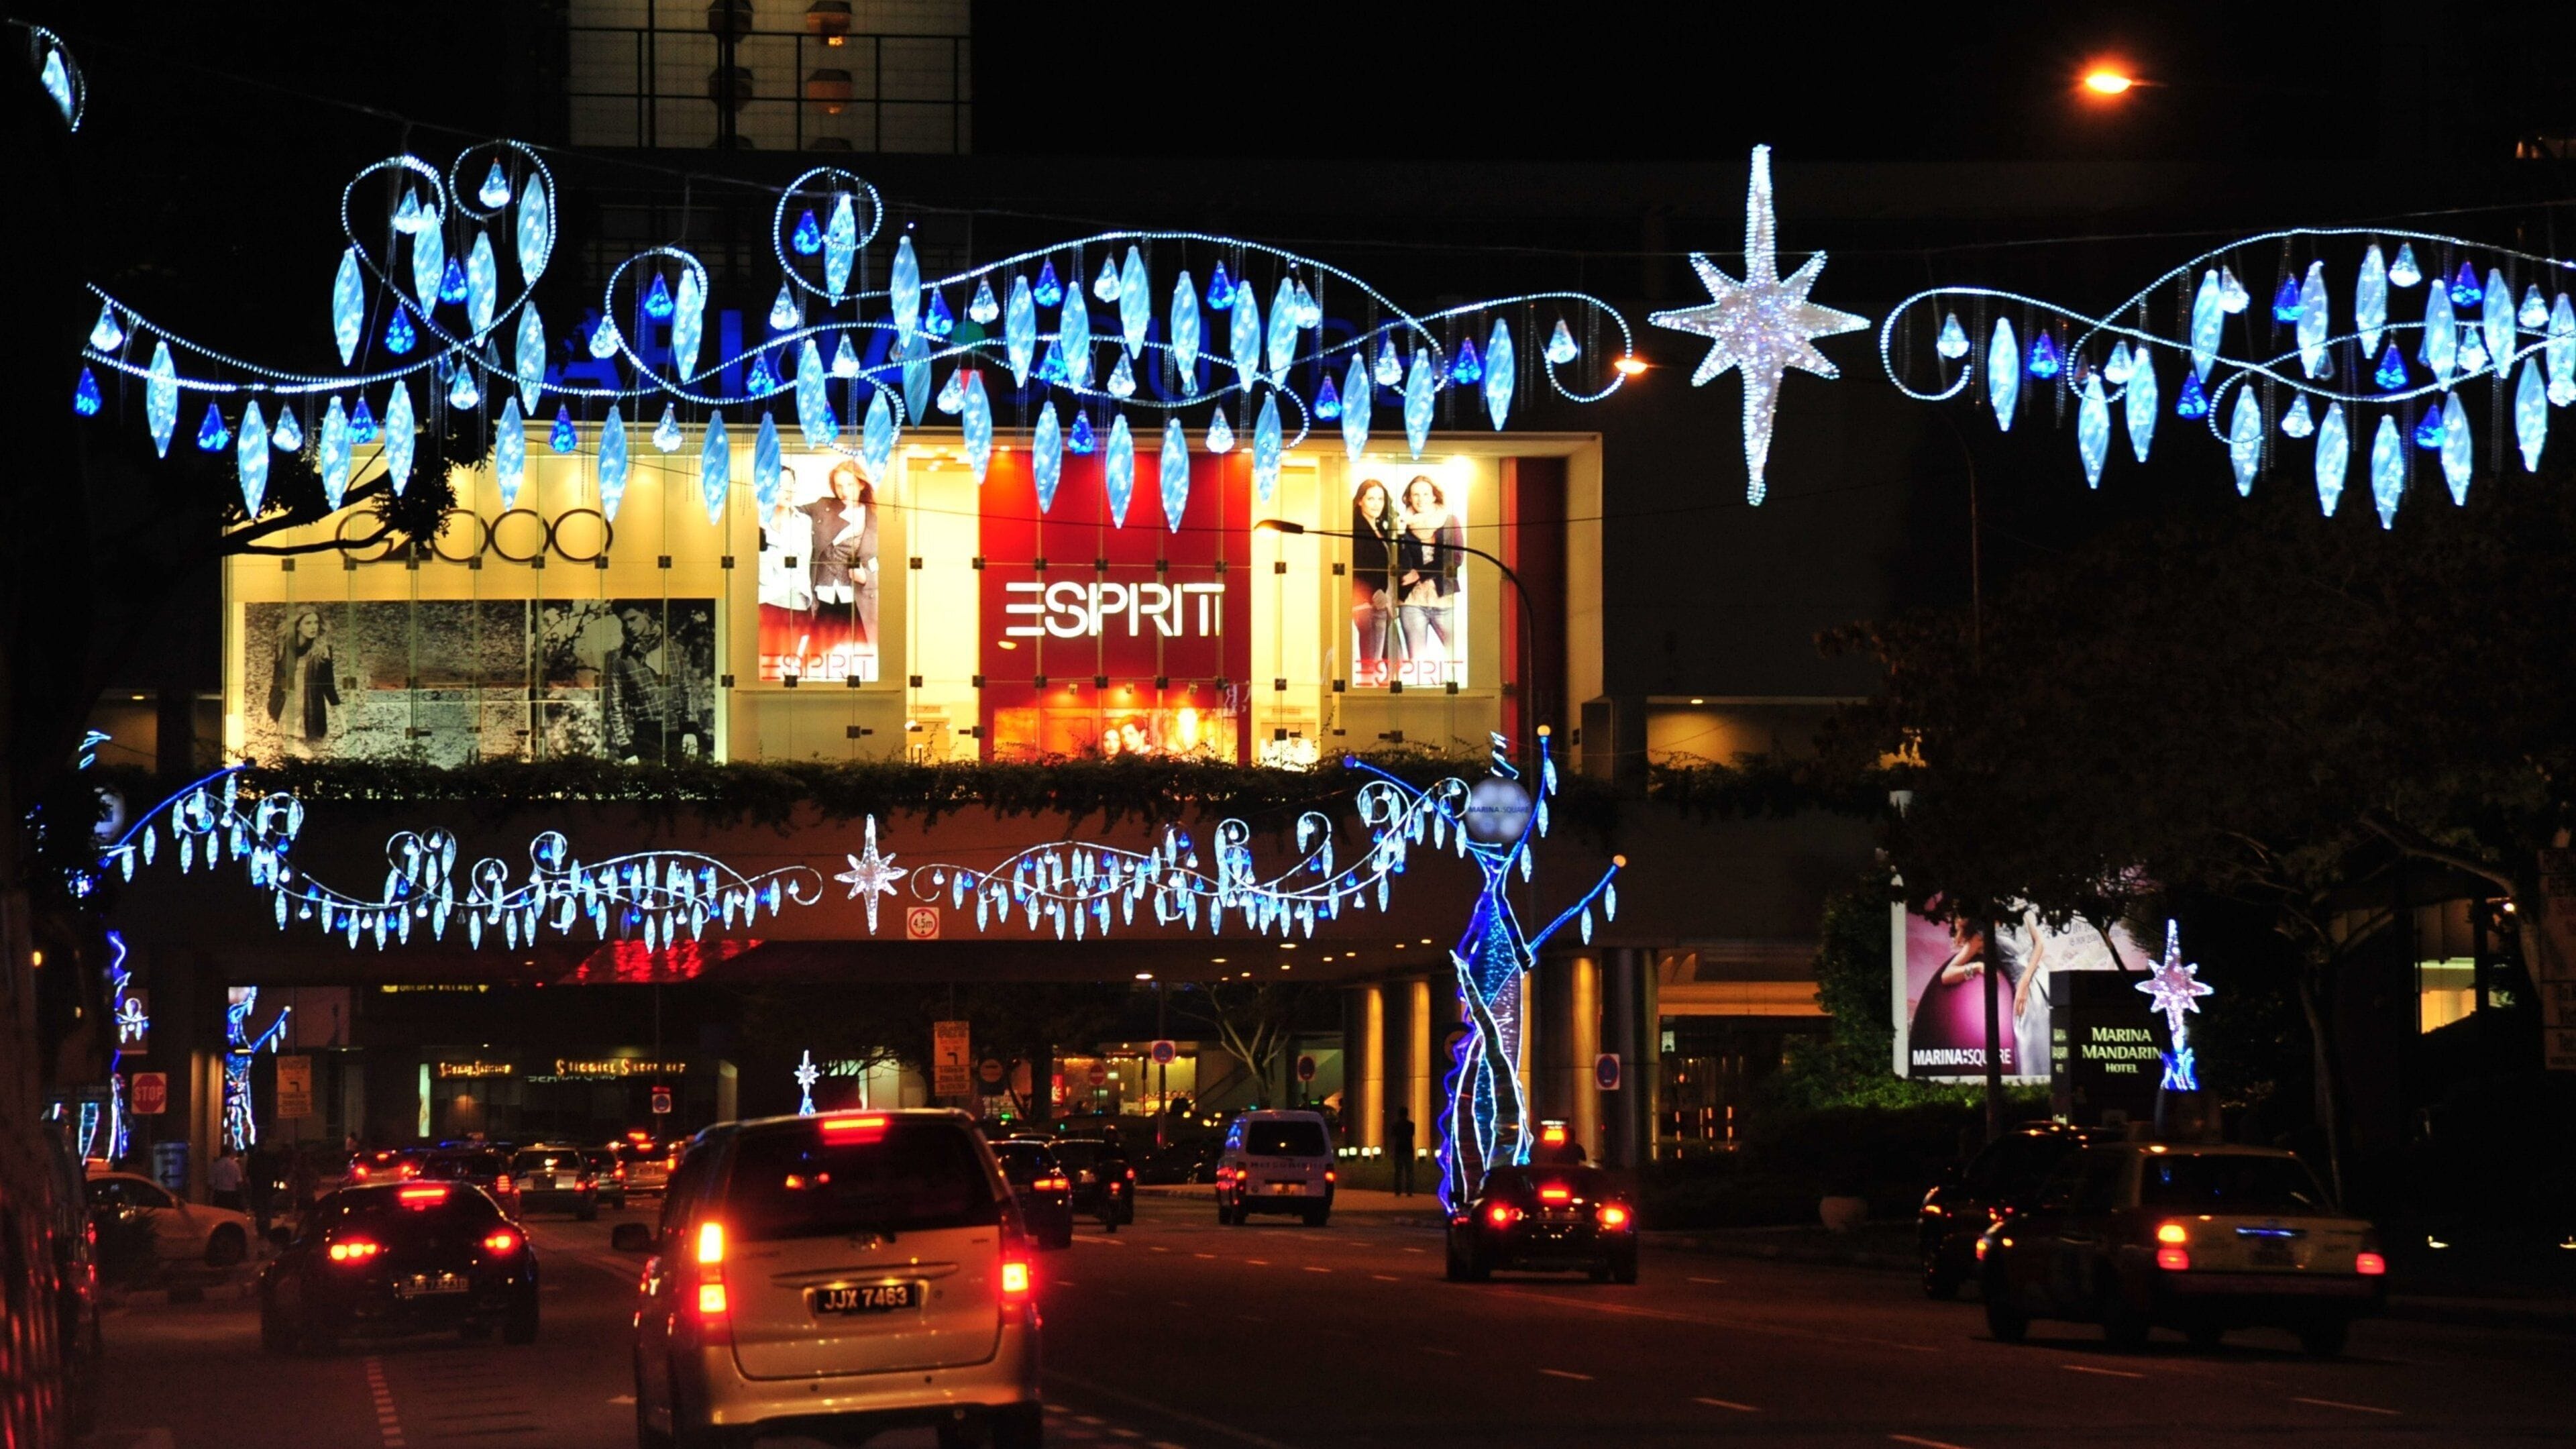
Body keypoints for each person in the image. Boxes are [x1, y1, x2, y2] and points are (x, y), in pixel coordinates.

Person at [1393, 476, 1464, 680]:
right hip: (1412, 602)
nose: (1421, 499)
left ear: (1434, 497)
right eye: (1416, 494)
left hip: (1444, 601)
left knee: (1456, 658)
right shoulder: (1402, 524)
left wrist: (1420, 573)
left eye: (1426, 494)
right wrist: (1398, 535)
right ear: (1408, 498)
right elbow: (1400, 564)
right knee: (1418, 663)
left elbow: (1456, 557)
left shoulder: (1449, 521)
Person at [264, 609, 339, 753]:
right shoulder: (285, 648)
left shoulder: (322, 649)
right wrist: (268, 705)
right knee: (287, 747)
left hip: (311, 704)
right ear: (298, 626)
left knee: (308, 749)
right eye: (308, 623)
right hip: (290, 702)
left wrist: (339, 712)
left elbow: (328, 684)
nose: (314, 627)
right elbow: (280, 679)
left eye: (316, 623)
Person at [1348, 478, 1399, 686]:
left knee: (1380, 655)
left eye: (1380, 499)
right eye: (1371, 498)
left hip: (1381, 600)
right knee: (1371, 657)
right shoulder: (1355, 526)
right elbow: (1358, 565)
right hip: (1366, 601)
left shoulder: (1380, 527)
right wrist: (1373, 593)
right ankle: (1367, 690)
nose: (1377, 503)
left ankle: (1374, 686)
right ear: (1360, 501)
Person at [207, 1145, 244, 1212]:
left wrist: (210, 1198)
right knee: (231, 1214)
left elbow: (211, 1184)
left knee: (219, 1214)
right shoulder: (235, 1165)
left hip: (219, 1194)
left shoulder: (216, 1165)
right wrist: (241, 1196)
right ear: (230, 1153)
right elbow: (239, 1182)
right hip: (232, 1194)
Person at [1389, 1112, 1417, 1196]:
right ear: (1407, 1115)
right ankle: (1409, 1191)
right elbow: (1412, 1134)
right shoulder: (1411, 1125)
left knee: (1398, 1172)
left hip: (1399, 1150)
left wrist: (1392, 1151)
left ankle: (1398, 1191)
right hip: (1408, 1150)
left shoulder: (1396, 1125)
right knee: (1409, 1172)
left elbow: (1393, 1137)